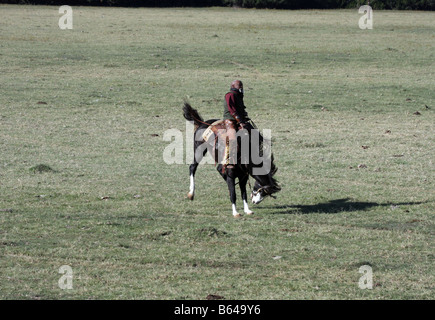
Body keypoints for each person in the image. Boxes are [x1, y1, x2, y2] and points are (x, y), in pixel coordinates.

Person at [222, 80, 250, 170]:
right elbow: (232, 110)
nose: (241, 87)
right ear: (233, 86)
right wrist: (240, 120)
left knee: (252, 132)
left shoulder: (239, 96)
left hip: (240, 120)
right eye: (239, 85)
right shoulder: (229, 95)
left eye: (241, 85)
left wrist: (244, 116)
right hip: (230, 120)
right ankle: (230, 161)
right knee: (232, 138)